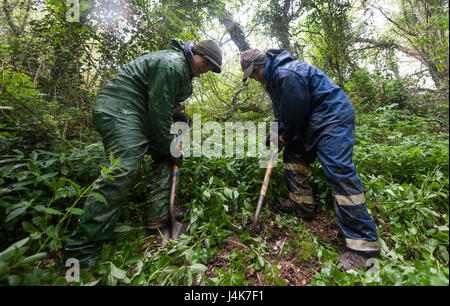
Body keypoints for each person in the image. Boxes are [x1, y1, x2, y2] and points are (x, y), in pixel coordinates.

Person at [65, 38, 223, 268]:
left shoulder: (184, 73)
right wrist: (170, 143)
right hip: (120, 109)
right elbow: (159, 112)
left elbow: (167, 104)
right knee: (125, 167)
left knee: (165, 156)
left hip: (141, 115)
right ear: (197, 53)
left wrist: (180, 117)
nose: (207, 69)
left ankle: (159, 215)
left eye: (212, 68)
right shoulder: (172, 64)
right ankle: (82, 249)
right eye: (207, 63)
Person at [240, 48, 379, 270]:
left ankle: (363, 248)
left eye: (253, 75)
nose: (255, 80)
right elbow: (282, 114)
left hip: (332, 119)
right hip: (311, 123)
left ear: (259, 67)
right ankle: (301, 203)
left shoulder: (287, 74)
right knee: (294, 153)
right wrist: (278, 134)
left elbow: (295, 113)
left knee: (339, 171)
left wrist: (284, 135)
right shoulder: (273, 82)